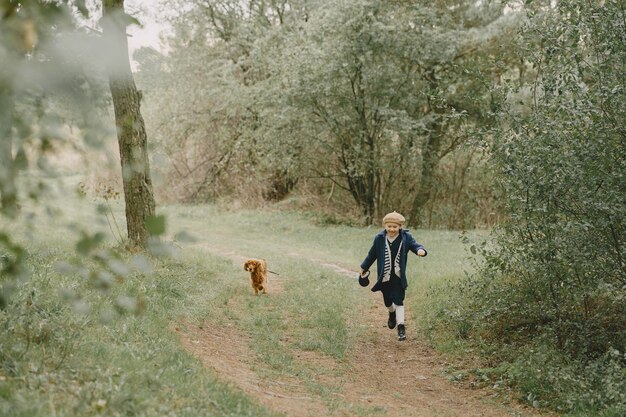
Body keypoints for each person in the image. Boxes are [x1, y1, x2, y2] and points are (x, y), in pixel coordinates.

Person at [359, 211, 427, 341]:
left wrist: (420, 250)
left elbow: (414, 245)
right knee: (388, 301)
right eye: (389, 226)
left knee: (399, 300)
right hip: (384, 276)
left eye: (394, 227)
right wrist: (364, 267)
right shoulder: (379, 238)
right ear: (385, 226)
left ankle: (401, 327)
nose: (391, 229)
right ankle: (391, 313)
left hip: (398, 276)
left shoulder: (406, 238)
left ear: (400, 227)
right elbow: (372, 255)